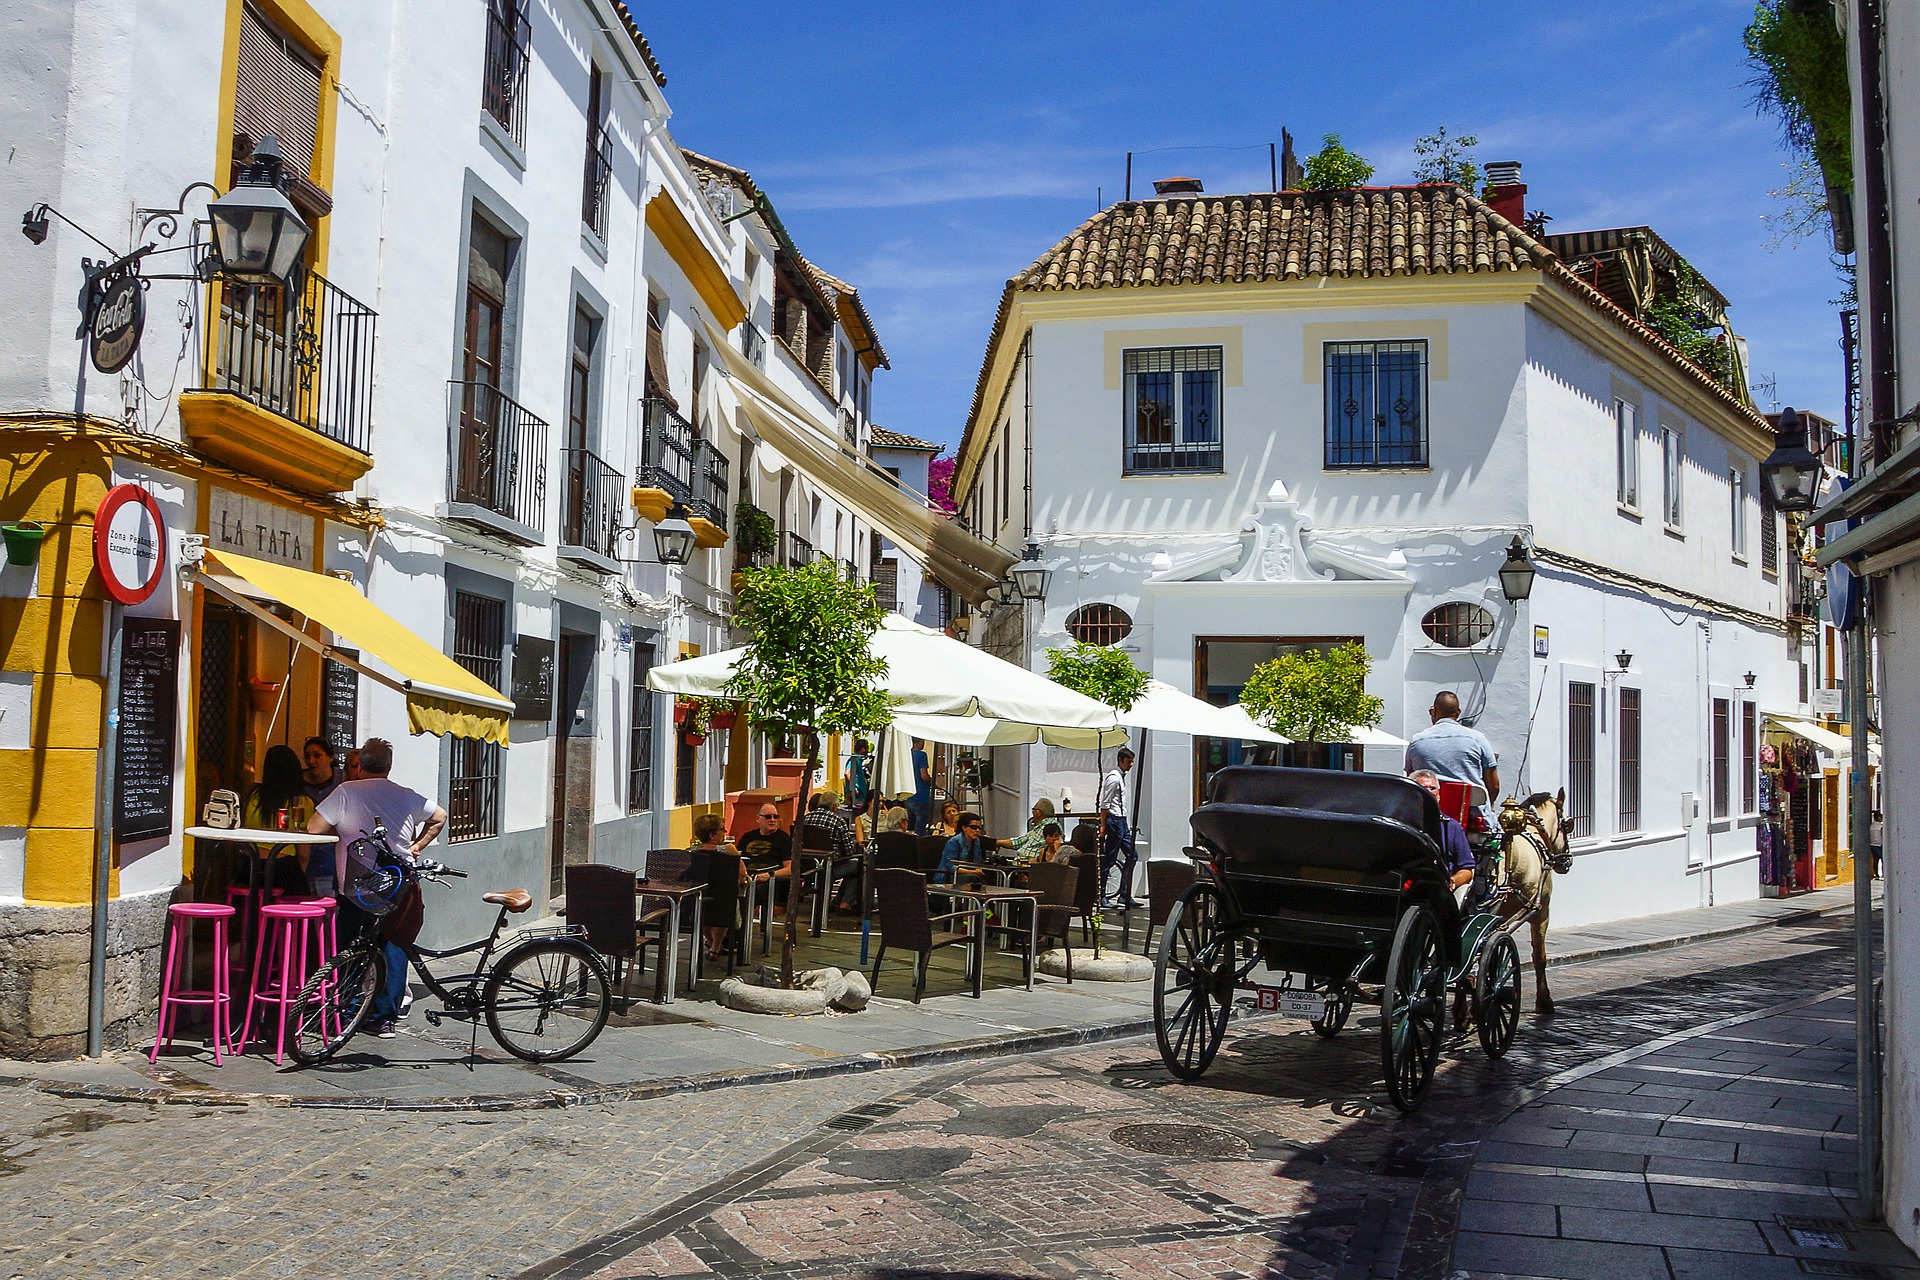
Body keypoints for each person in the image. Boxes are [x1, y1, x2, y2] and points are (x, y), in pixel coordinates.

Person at [307, 737, 448, 1040]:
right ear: (388, 766)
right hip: (399, 882)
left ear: (360, 767)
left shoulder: (346, 792)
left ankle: (347, 1010)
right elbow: (440, 816)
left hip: (357, 886)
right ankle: (385, 1018)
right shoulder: (406, 795)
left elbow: (313, 828)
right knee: (393, 945)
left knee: (352, 946)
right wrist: (416, 846)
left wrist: (344, 826)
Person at [1404, 692, 1501, 822]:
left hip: (1428, 818)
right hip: (1472, 819)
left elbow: (1411, 781)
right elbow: (1494, 786)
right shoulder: (1477, 739)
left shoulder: (1417, 741)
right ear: (1459, 712)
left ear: (1433, 711)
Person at [244, 744, 315, 893]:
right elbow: (303, 853)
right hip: (282, 868)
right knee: (302, 895)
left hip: (247, 869)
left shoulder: (252, 798)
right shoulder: (302, 803)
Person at [1411, 770, 1477, 900]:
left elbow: (1467, 869)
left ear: (1439, 795)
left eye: (1432, 788)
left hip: (1439, 891)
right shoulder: (1401, 823)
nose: (1429, 792)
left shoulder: (1452, 827)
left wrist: (1451, 882)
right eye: (1423, 788)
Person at [800, 790, 864, 912]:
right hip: (831, 866)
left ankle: (839, 899)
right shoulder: (838, 821)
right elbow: (849, 851)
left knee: (855, 867)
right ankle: (845, 902)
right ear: (834, 807)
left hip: (808, 865)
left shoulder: (805, 819)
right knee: (860, 866)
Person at [690, 812, 741, 962]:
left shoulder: (691, 854)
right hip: (724, 908)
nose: (725, 833)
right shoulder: (728, 851)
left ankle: (713, 944)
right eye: (722, 830)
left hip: (697, 907)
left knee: (706, 906)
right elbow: (742, 875)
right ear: (713, 835)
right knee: (727, 900)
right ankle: (716, 946)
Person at [1099, 748, 1139, 909]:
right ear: (1121, 760)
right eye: (1129, 761)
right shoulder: (1114, 779)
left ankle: (1124, 894)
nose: (1131, 764)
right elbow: (1105, 804)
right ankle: (1101, 895)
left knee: (1132, 856)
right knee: (1109, 859)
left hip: (1122, 821)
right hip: (1115, 821)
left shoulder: (1121, 777)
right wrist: (1103, 825)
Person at [737, 803, 793, 875]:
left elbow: (790, 869)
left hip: (769, 880)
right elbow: (736, 859)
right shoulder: (747, 837)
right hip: (746, 875)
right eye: (768, 817)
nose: (772, 820)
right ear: (758, 819)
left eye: (775, 817)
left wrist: (770, 875)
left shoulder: (784, 839)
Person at [935, 812, 988, 884]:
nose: (977, 830)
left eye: (979, 828)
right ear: (964, 828)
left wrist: (979, 870)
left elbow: (978, 862)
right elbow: (951, 867)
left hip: (969, 875)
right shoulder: (954, 842)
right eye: (973, 827)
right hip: (949, 877)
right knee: (974, 878)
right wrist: (973, 872)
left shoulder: (977, 841)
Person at [301, 737, 341, 806]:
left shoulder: (342, 778)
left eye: (317, 756)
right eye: (307, 756)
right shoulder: (297, 780)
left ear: (331, 757)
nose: (311, 761)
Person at [908, 738, 932, 834]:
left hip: (909, 796)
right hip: (921, 796)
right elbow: (924, 775)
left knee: (910, 827)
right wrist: (932, 781)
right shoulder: (922, 755)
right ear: (921, 741)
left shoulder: (907, 755)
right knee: (920, 828)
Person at [842, 738, 872, 814]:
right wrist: (854, 790)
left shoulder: (857, 760)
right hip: (857, 797)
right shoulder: (854, 759)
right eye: (867, 749)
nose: (867, 752)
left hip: (859, 796)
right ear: (863, 749)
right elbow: (847, 774)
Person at [1871, 809, 1885, 879]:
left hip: (1873, 845)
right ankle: (1883, 874)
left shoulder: (1871, 826)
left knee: (1875, 861)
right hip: (1880, 845)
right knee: (1883, 860)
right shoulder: (1881, 826)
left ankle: (1876, 874)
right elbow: (1883, 836)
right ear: (1879, 817)